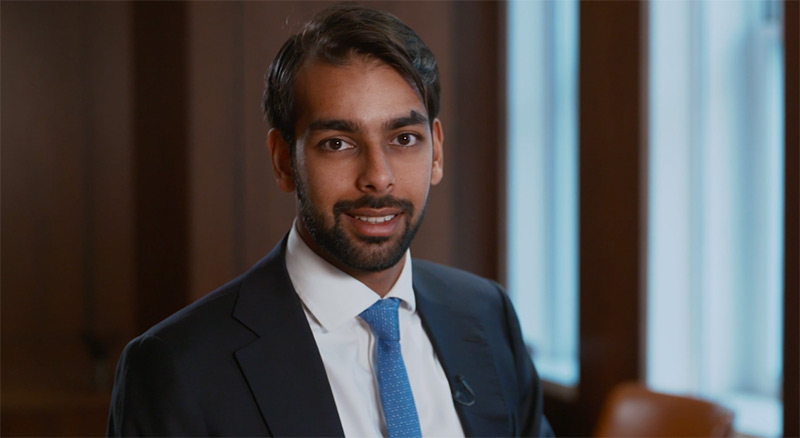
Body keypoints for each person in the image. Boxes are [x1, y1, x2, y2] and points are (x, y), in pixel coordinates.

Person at [107, 4, 553, 437]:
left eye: (403, 138)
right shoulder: (177, 366)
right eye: (338, 143)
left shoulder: (487, 315)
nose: (378, 177)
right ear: (284, 161)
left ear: (436, 152)